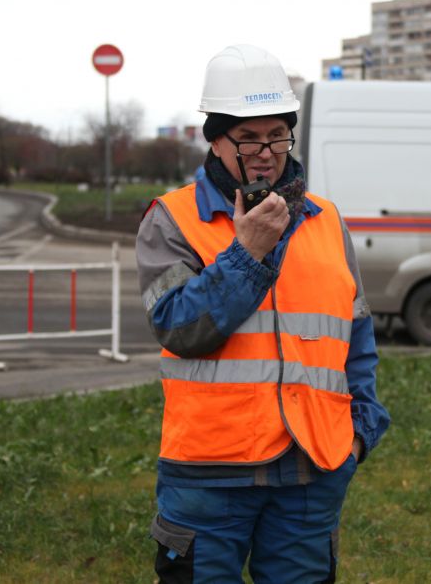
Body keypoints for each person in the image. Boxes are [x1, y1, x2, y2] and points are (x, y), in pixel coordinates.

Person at [136, 44, 390, 583]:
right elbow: (180, 327)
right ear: (215, 139)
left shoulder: (326, 221)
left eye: (276, 134)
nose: (265, 152)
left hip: (311, 469)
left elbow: (357, 335)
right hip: (208, 473)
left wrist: (359, 431)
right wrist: (246, 253)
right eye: (247, 138)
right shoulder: (173, 219)